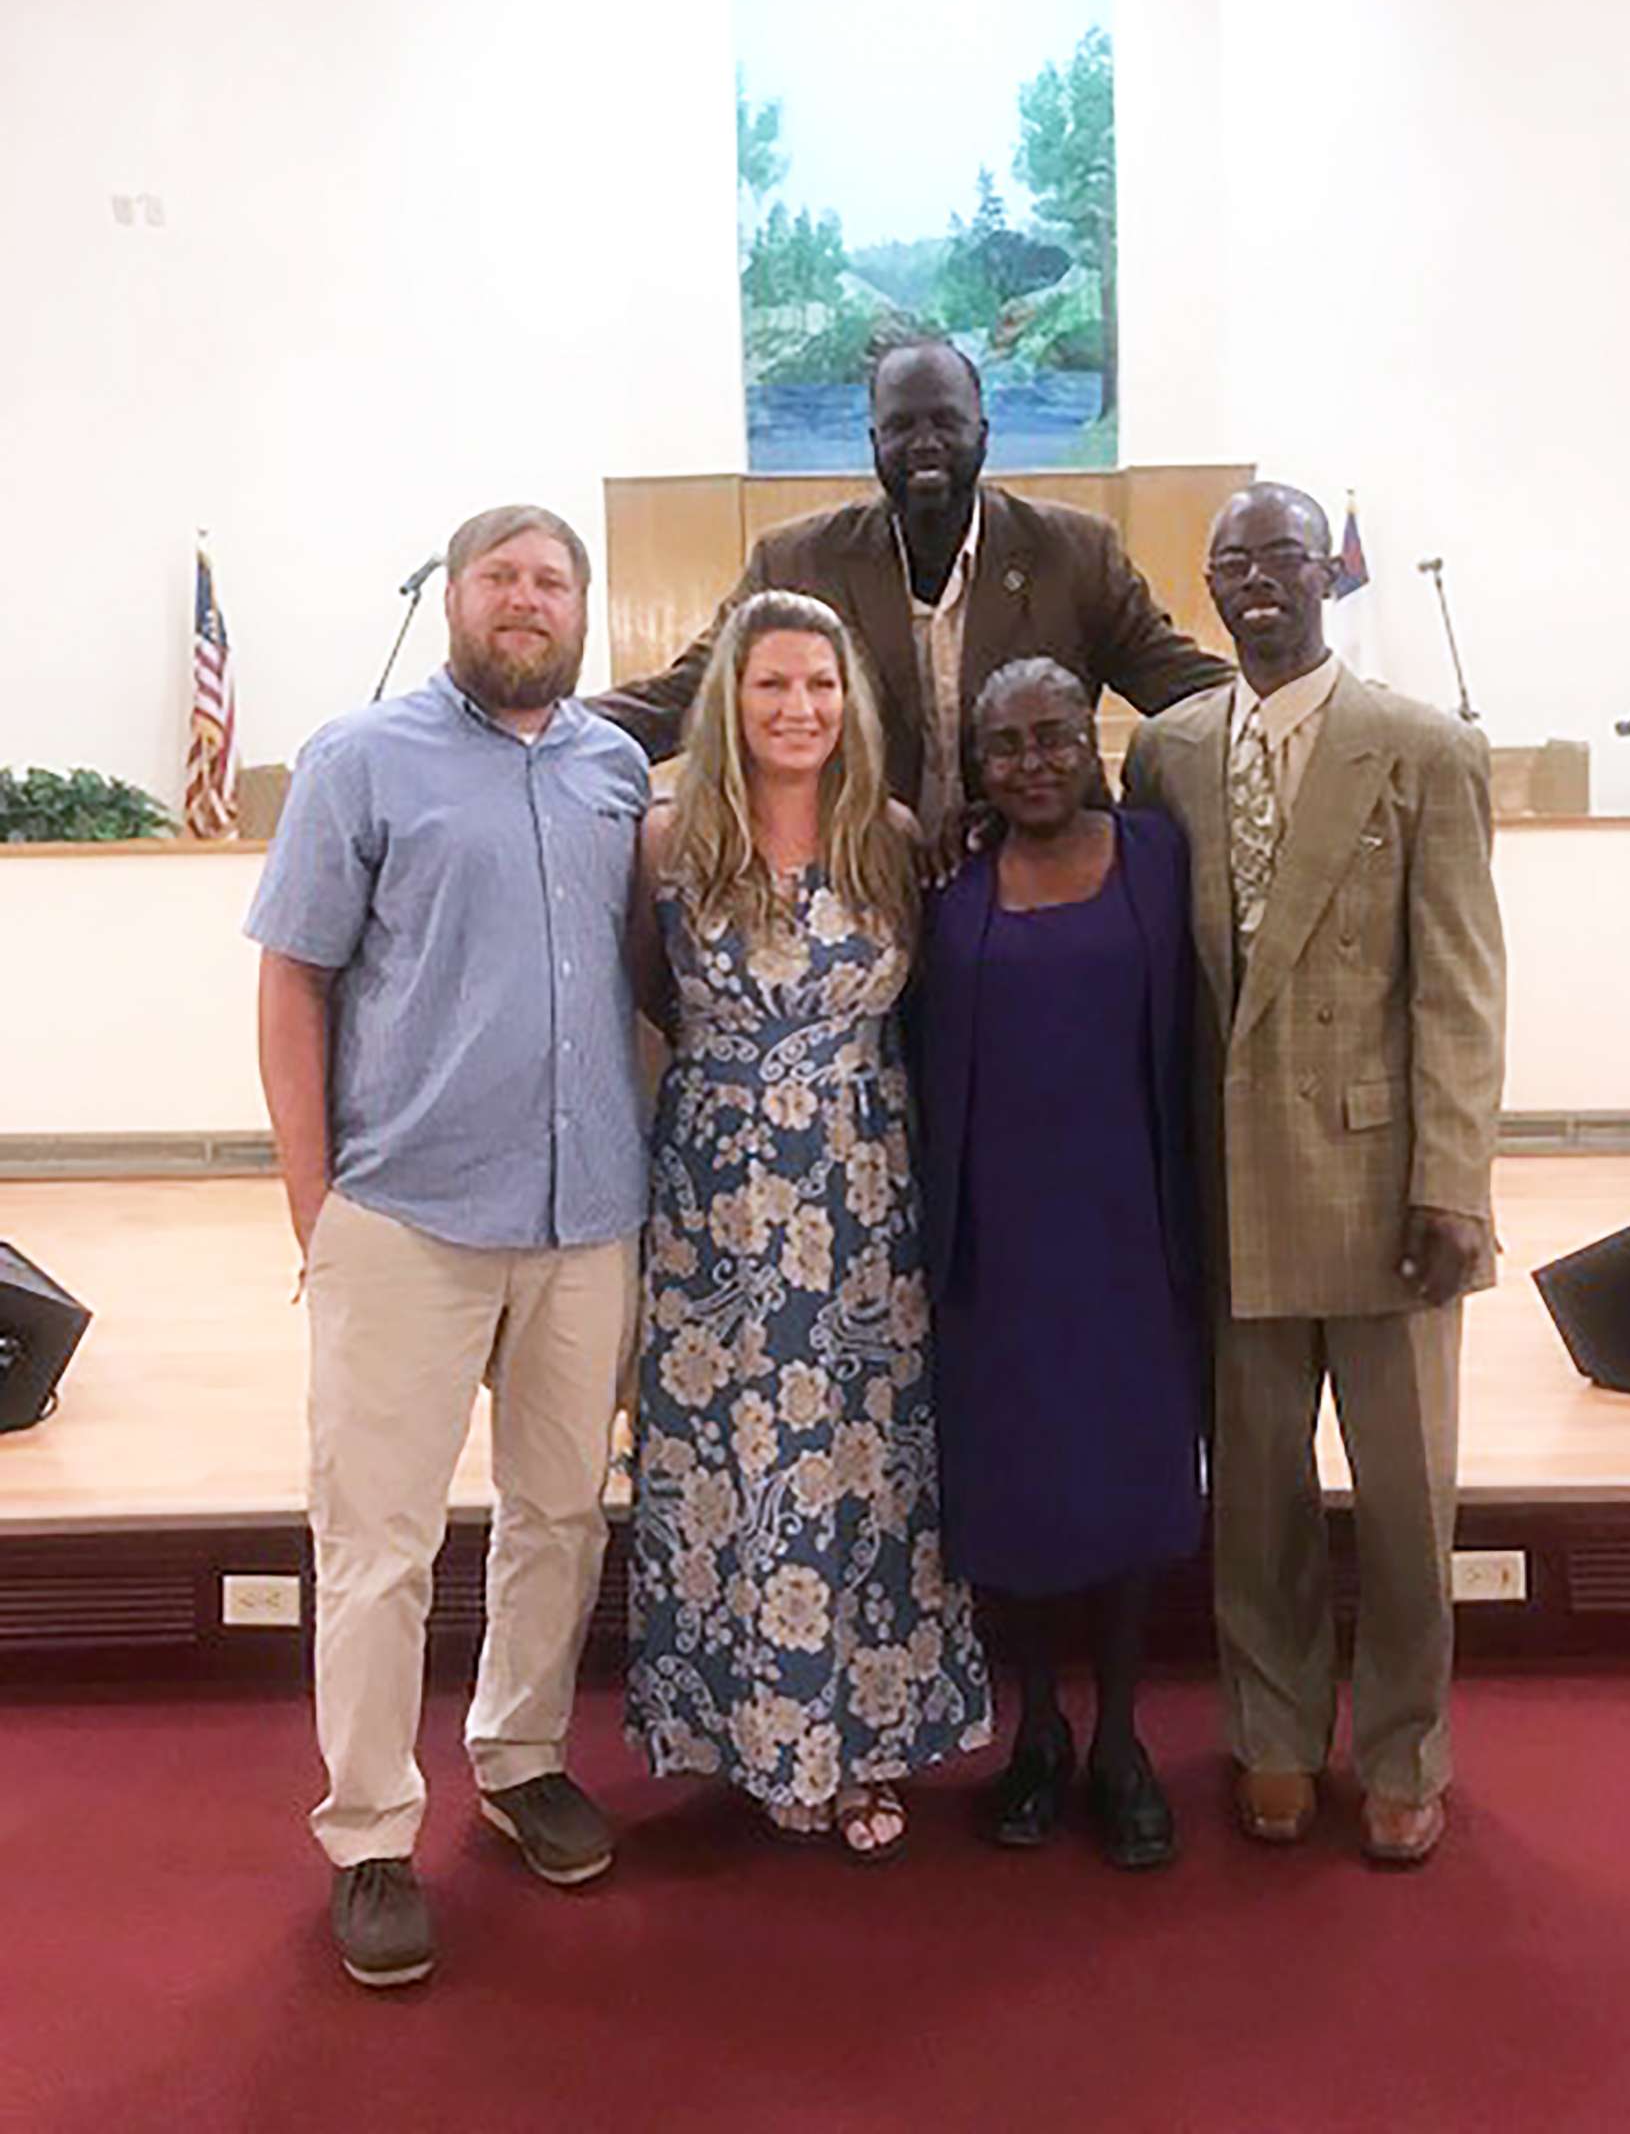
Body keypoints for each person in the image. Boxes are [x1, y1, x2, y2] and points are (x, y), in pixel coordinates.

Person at [248, 505, 650, 1991]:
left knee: (560, 1515)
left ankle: (522, 1754)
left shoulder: (617, 771)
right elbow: (294, 985)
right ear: (456, 602)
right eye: (503, 578)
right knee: (378, 1546)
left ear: (581, 608)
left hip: (585, 1216)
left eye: (553, 581)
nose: (528, 602)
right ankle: (367, 1835)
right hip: (405, 1217)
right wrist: (317, 1207)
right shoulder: (360, 763)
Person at [1122, 483, 1505, 1868]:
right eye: (1234, 563)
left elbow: (1460, 985)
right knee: (1261, 1496)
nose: (1259, 580)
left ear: (1327, 576)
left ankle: (1407, 1749)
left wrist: (1454, 1179)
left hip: (1386, 1184)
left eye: (1283, 556)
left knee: (1407, 1502)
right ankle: (1274, 1737)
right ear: (1213, 588)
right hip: (1233, 1185)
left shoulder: (1422, 748)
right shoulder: (1165, 751)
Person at [625, 588, 991, 1858]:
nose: (798, 709)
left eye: (820, 686)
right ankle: (749, 1736)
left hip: (861, 1193)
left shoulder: (889, 837)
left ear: (853, 702)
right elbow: (644, 993)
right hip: (718, 1202)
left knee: (857, 1468)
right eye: (772, 685)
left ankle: (857, 1735)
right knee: (731, 1470)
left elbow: (930, 1010)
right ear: (730, 697)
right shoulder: (669, 837)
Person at [918, 659, 1201, 1871]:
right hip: (996, 1234)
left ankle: (1124, 1740)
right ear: (973, 766)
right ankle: (1036, 1729)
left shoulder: (1162, 853)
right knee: (1018, 1490)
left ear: (1095, 744)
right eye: (1005, 746)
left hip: (1136, 1225)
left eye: (1055, 738)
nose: (1033, 763)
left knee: (1131, 1481)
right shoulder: (947, 882)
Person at [592, 339, 1231, 833]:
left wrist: (1302, 710)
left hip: (1031, 889)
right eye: (901, 427)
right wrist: (545, 733)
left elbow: (1182, 689)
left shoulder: (1075, 554)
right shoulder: (796, 563)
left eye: (946, 422)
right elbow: (693, 695)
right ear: (874, 442)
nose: (925, 444)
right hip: (860, 884)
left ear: (983, 433)